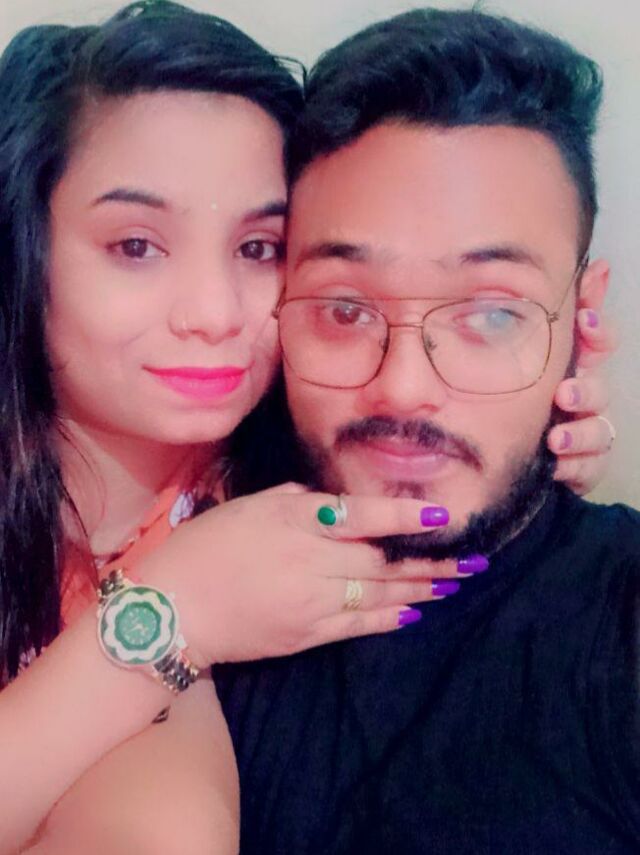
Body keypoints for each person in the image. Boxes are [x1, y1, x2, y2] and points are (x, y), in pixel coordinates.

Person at [0, 3, 616, 853]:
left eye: (258, 248)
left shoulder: (261, 493)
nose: (213, 312)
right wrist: (174, 608)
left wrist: (535, 410)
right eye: (136, 245)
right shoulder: (223, 559)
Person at [209, 9, 639, 854]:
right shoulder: (184, 556)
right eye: (343, 308)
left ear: (581, 320)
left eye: (492, 314)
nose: (403, 386)